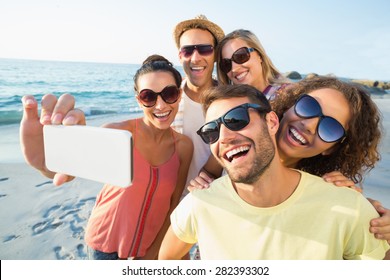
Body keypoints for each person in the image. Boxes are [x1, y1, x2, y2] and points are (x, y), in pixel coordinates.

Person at [158, 84, 390, 260]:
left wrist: (368, 216)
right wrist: (201, 192)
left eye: (329, 127)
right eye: (308, 107)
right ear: (282, 112)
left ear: (333, 149)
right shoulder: (205, 197)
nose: (309, 124)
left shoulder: (341, 200)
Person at [20, 55, 193, 259]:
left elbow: (174, 204)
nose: (161, 105)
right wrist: (46, 162)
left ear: (179, 95)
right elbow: (67, 171)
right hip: (105, 245)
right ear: (139, 100)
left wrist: (156, 250)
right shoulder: (115, 133)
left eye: (169, 93)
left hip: (149, 249)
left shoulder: (184, 146)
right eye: (149, 96)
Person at [171, 15, 224, 187]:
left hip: (220, 200)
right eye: (188, 51)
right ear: (180, 56)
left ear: (215, 54)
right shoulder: (166, 100)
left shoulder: (230, 101)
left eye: (205, 49)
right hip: (174, 201)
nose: (195, 58)